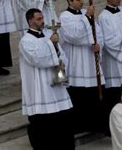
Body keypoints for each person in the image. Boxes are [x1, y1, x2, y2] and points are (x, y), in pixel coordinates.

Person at [19, 8, 74, 149]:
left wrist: (62, 64)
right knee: (44, 125)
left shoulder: (49, 35)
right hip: (40, 89)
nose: (42, 21)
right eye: (38, 19)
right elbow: (37, 59)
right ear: (30, 21)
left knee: (63, 122)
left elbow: (62, 54)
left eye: (42, 18)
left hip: (56, 86)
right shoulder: (26, 41)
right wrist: (50, 43)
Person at [58, 0, 107, 134]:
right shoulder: (64, 17)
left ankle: (96, 126)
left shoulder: (87, 14)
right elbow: (74, 36)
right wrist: (86, 19)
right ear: (69, 0)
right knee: (79, 95)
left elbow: (98, 32)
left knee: (94, 95)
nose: (82, 2)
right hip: (77, 62)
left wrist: (99, 44)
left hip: (91, 61)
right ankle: (80, 125)